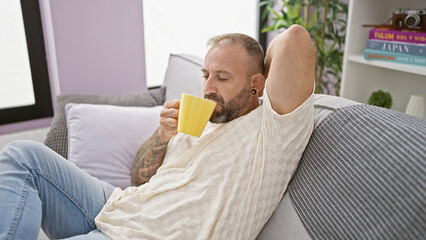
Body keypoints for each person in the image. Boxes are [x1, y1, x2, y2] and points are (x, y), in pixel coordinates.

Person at [0, 24, 315, 240]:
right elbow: (138, 177)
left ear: (256, 84)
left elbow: (295, 39)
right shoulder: (200, 121)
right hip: (119, 206)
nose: (207, 88)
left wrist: (252, 57)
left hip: (146, 235)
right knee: (21, 154)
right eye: (206, 75)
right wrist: (162, 136)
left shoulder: (271, 131)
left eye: (222, 77)